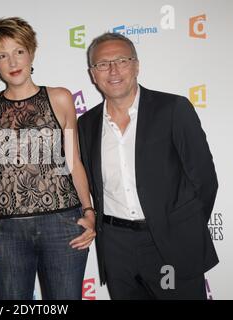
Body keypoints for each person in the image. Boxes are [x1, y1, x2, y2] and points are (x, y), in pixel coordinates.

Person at [77, 32, 219, 299]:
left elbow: (205, 179)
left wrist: (183, 229)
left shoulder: (173, 109)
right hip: (117, 247)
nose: (113, 70)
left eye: (122, 60)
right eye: (103, 64)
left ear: (137, 65)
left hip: (170, 244)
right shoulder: (86, 124)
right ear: (93, 74)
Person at [0, 17, 95, 300]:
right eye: (2, 56)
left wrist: (89, 212)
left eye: (18, 51)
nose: (12, 61)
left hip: (62, 223)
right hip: (5, 229)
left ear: (31, 52)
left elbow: (74, 161)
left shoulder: (60, 98)